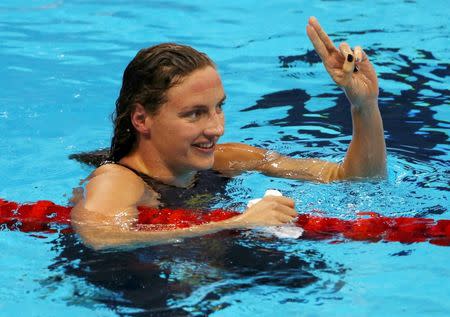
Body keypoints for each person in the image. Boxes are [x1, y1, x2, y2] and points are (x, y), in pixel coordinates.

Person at [71, 17, 386, 250]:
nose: (216, 128)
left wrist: (364, 106)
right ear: (142, 118)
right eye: (195, 113)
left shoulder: (229, 159)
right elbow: (100, 237)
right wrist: (235, 224)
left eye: (218, 108)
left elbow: (355, 180)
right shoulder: (117, 179)